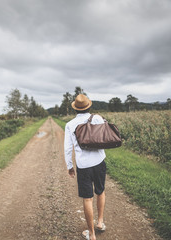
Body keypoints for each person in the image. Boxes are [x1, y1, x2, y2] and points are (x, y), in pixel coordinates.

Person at [64, 94, 107, 240]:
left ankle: (92, 234)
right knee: (100, 192)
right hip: (99, 161)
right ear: (88, 106)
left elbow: (68, 148)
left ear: (75, 109)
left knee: (87, 199)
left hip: (83, 166)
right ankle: (100, 222)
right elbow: (103, 138)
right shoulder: (98, 118)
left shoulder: (70, 125)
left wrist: (70, 166)